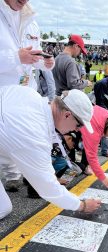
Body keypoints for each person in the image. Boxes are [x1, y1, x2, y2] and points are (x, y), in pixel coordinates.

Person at [0, 85, 101, 219]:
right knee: (3, 208)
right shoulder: (34, 134)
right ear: (67, 114)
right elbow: (47, 188)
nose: (77, 130)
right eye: (78, 125)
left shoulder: (30, 94)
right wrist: (82, 205)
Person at [0, 0, 55, 192]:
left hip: (26, 90)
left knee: (25, 132)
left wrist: (45, 63)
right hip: (3, 91)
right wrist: (15, 57)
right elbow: (18, 55)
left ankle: (26, 175)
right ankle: (11, 173)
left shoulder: (31, 19)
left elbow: (35, 55)